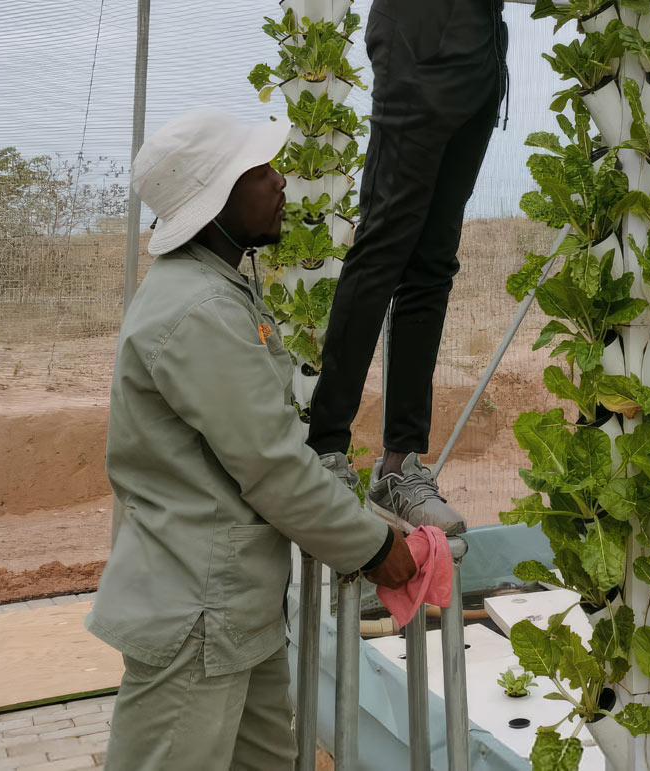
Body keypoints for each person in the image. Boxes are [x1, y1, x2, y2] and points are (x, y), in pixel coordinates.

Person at [87, 108, 417, 771]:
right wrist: (375, 546)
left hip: (234, 609)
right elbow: (271, 467)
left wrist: (365, 517)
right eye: (259, 171)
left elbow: (263, 453)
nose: (280, 181)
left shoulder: (218, 287)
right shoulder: (199, 311)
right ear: (214, 201)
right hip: (196, 615)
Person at [306, 0, 509, 535]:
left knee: (434, 263)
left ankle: (400, 470)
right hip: (421, 37)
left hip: (483, 45)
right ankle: (325, 451)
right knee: (382, 247)